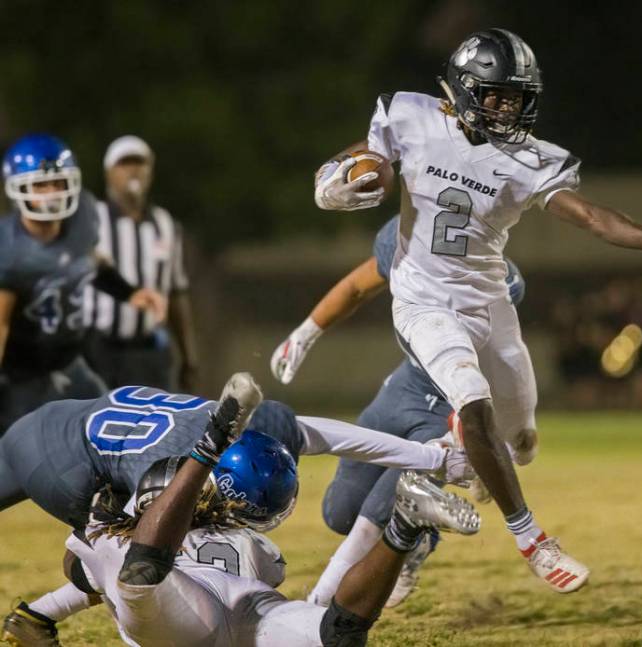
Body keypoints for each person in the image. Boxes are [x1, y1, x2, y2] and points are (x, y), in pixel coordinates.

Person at [312, 27, 642, 593]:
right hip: (423, 300)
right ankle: (532, 539)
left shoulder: (533, 158)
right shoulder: (410, 114)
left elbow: (590, 216)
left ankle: (473, 461)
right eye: (497, 95)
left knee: (521, 438)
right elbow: (362, 162)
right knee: (472, 404)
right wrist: (336, 182)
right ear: (462, 88)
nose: (507, 108)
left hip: (489, 303)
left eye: (517, 97)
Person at [2, 382, 478, 647]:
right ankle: (40, 614)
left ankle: (404, 523)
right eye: (234, 512)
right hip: (63, 456)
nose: (232, 519)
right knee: (132, 566)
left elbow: (326, 436)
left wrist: (433, 459)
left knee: (339, 638)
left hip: (211, 602)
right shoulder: (163, 493)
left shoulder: (263, 437)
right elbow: (98, 565)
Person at [273, 215, 526, 607]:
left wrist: (493, 446)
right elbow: (358, 285)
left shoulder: (498, 285)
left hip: (447, 407)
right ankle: (421, 531)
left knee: (376, 516)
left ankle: (322, 604)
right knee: (339, 513)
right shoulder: (407, 238)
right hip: (404, 388)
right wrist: (304, 335)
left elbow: (510, 375)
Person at [0, 133, 166, 433]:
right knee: (23, 456)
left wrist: (128, 293)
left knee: (114, 428)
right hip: (21, 375)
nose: (51, 193)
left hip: (69, 363)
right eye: (40, 184)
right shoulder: (10, 249)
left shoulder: (82, 218)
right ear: (18, 188)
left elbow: (89, 260)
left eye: (58, 183)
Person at [85, 135, 199, 392]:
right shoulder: (91, 218)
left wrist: (189, 357)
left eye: (140, 162)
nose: (133, 169)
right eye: (124, 163)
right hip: (96, 349)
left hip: (147, 352)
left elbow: (177, 293)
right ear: (108, 172)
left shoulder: (165, 223)